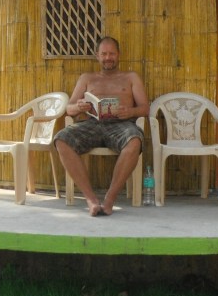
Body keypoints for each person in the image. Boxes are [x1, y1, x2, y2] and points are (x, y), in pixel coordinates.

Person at [54, 36, 149, 216]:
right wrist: (79, 107)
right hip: (92, 124)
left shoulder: (131, 77)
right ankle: (91, 200)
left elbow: (145, 108)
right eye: (104, 54)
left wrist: (129, 112)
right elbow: (69, 108)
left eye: (112, 53)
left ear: (118, 55)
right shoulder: (87, 78)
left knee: (135, 141)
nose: (108, 58)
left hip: (121, 124)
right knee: (61, 140)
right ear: (97, 56)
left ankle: (109, 200)